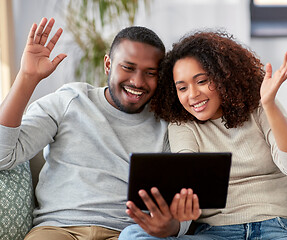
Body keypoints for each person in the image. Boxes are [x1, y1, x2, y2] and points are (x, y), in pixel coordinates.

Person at [119, 31, 287, 239]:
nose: (192, 95)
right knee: (132, 235)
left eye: (201, 81)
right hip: (215, 233)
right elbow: (188, 179)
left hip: (276, 229)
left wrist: (269, 104)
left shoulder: (261, 107)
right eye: (182, 88)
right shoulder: (182, 124)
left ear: (224, 77)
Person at [0, 17, 189, 240]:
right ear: (108, 64)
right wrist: (27, 78)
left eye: (150, 73)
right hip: (59, 229)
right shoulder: (69, 100)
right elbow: (3, 156)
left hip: (125, 233)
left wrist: (174, 227)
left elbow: (184, 194)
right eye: (128, 67)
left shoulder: (166, 126)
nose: (138, 82)